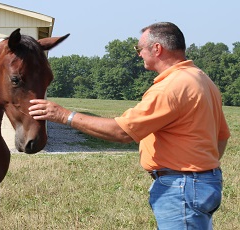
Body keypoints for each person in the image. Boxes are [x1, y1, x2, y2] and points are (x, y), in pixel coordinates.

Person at [28, 22, 230, 229]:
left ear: (157, 49)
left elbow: (122, 132)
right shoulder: (202, 79)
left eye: (139, 48)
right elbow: (221, 136)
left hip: (182, 187)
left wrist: (63, 115)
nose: (139, 54)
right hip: (205, 182)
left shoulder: (171, 87)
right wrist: (201, 170)